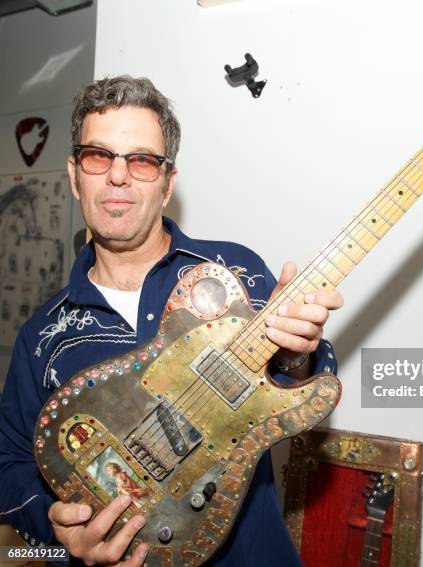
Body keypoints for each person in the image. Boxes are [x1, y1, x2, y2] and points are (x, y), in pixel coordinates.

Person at [0, 76, 343, 566]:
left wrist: (297, 349)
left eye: (141, 160)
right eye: (99, 156)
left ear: (167, 184)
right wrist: (58, 533)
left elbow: (300, 391)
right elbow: (7, 464)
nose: (118, 176)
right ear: (75, 175)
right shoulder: (42, 336)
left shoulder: (235, 275)